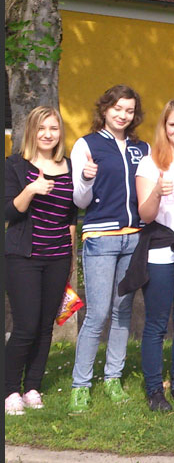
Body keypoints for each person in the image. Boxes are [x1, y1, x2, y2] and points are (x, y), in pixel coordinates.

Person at [117, 99, 174, 411]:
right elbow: (145, 214)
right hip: (161, 252)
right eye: (173, 124)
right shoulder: (150, 162)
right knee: (157, 324)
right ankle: (155, 389)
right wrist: (157, 191)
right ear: (164, 127)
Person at [69, 85, 149, 414]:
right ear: (105, 109)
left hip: (134, 238)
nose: (123, 115)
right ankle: (79, 385)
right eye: (117, 108)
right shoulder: (86, 145)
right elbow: (79, 200)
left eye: (129, 110)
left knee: (122, 312)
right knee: (98, 313)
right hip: (101, 238)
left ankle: (112, 378)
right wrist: (86, 179)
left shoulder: (141, 148)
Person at [5, 107, 78, 415]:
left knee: (46, 326)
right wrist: (32, 189)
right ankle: (9, 390)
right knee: (25, 326)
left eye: (54, 128)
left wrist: (71, 253)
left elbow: (72, 213)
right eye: (42, 128)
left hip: (58, 256)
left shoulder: (70, 167)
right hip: (24, 256)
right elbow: (8, 212)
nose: (48, 134)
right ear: (32, 132)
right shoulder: (15, 166)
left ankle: (32, 386)